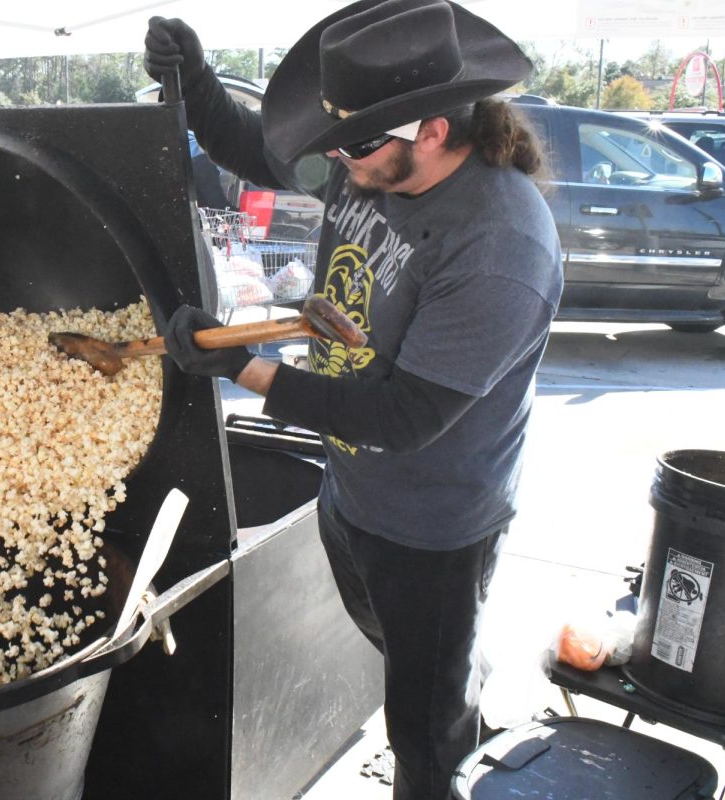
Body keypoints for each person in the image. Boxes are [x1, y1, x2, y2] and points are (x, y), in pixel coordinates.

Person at [144, 2, 564, 799]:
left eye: (358, 143)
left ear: (433, 129)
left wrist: (239, 370)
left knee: (422, 732)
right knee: (408, 655)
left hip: (436, 525)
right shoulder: (372, 151)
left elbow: (406, 418)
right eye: (339, 138)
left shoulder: (498, 244)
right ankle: (460, 688)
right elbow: (258, 151)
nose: (338, 159)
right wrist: (195, 80)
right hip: (351, 488)